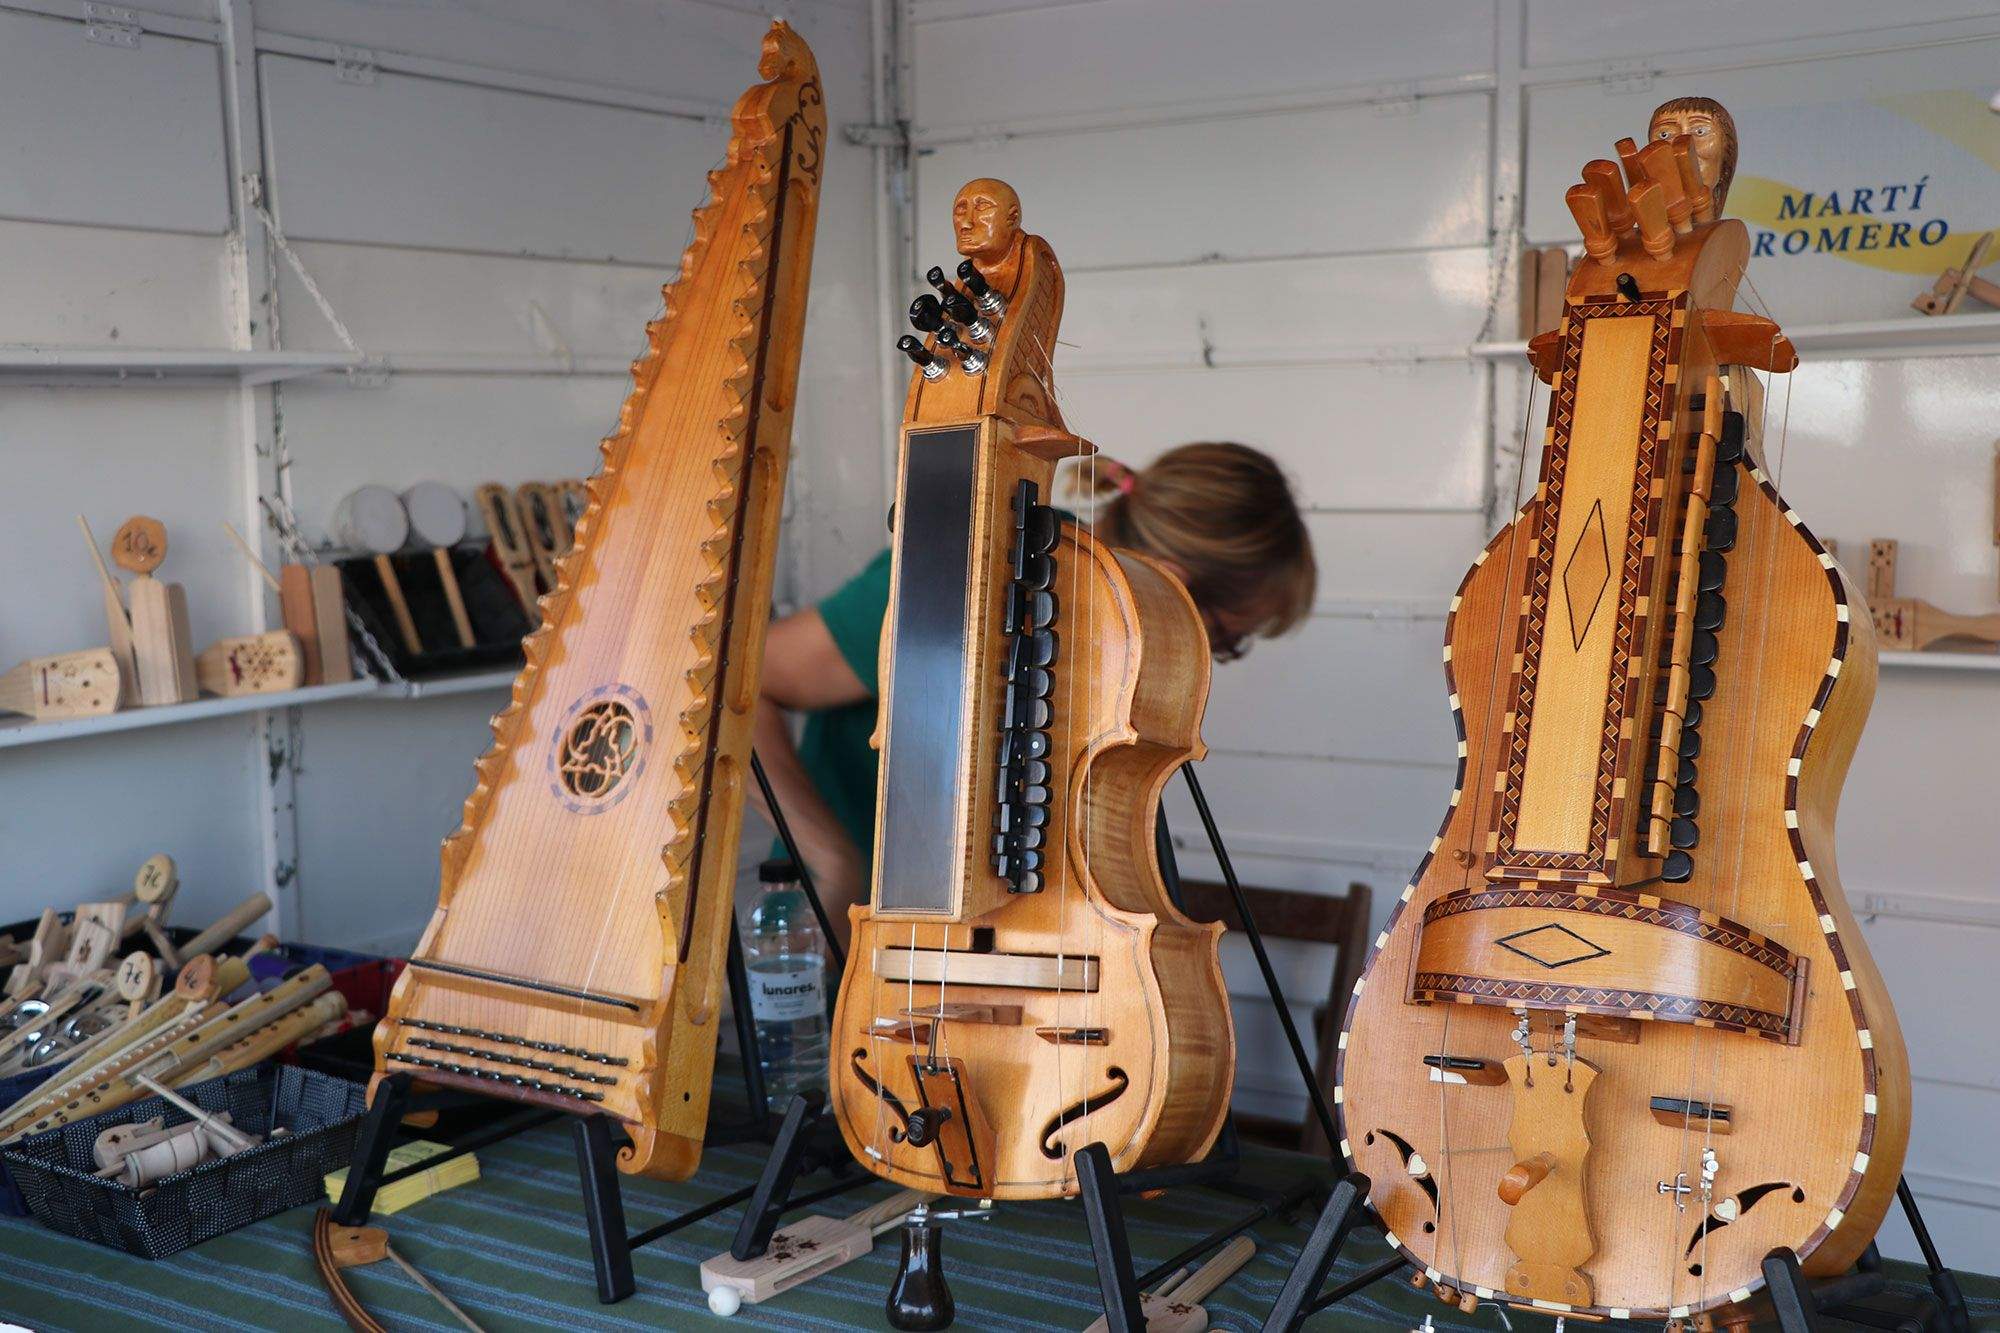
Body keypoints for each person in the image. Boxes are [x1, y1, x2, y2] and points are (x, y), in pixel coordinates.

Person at [751, 441, 1316, 943]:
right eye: (1227, 637)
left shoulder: (1114, 647)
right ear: (1173, 581)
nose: (1211, 657)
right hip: (845, 943)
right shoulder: (985, 566)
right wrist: (827, 858)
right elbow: (749, 691)